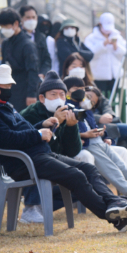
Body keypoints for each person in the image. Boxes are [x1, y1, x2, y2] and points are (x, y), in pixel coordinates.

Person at [0, 64, 127, 232]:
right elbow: (5, 139)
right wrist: (38, 134)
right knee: (76, 175)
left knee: (88, 168)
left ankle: (114, 202)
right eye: (5, 85)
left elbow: (22, 131)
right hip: (23, 162)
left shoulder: (5, 105)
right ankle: (114, 217)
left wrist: (42, 124)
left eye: (9, 85)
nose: (9, 88)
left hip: (39, 154)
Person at [64, 76, 127, 213]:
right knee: (114, 172)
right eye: (76, 89)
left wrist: (103, 134)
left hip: (98, 142)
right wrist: (86, 135)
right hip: (88, 146)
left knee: (125, 169)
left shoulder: (84, 106)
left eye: (83, 89)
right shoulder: (67, 108)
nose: (81, 92)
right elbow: (71, 132)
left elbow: (93, 125)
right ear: (67, 92)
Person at [18, 71, 87, 224]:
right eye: (53, 94)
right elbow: (43, 150)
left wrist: (70, 127)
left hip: (57, 163)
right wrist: (58, 124)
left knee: (84, 184)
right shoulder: (30, 114)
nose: (59, 99)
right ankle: (31, 207)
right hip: (30, 164)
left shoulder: (67, 110)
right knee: (44, 163)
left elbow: (73, 151)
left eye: (62, 95)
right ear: (42, 98)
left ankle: (42, 207)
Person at [85, 86, 127, 178]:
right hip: (97, 129)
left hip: (109, 125)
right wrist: (99, 118)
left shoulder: (94, 88)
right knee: (115, 132)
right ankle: (113, 172)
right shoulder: (72, 94)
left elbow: (105, 103)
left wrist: (108, 114)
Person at [0, 7, 40, 111]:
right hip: (9, 91)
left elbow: (33, 71)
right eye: (2, 26)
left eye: (6, 26)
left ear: (16, 24)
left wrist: (32, 94)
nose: (4, 29)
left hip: (24, 90)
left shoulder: (27, 45)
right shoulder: (6, 43)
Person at [84, 13, 126, 94]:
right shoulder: (91, 38)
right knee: (100, 97)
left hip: (115, 74)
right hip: (98, 75)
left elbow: (123, 55)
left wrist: (115, 46)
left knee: (113, 97)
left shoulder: (117, 36)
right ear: (100, 24)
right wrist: (103, 44)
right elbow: (89, 55)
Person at [19, 5, 52, 79]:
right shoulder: (17, 37)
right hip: (21, 80)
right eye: (28, 17)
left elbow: (46, 59)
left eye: (33, 17)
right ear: (21, 19)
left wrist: (43, 73)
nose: (31, 20)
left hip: (38, 79)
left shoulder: (41, 37)